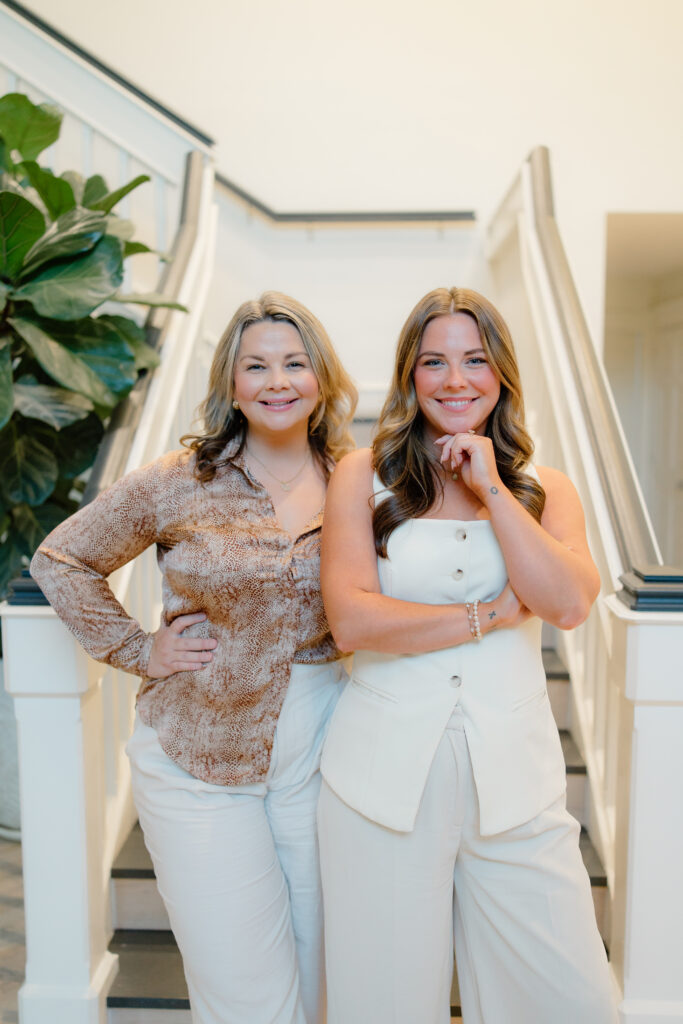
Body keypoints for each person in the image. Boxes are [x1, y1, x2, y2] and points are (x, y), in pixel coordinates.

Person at [30, 291, 357, 1024]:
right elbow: (63, 558)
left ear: (321, 378)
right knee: (247, 995)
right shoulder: (181, 478)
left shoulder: (358, 481)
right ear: (231, 384)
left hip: (323, 758)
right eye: (256, 366)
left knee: (322, 981)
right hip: (198, 758)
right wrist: (139, 648)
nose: (277, 381)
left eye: (295, 363)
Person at [317, 287, 617, 1024]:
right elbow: (350, 620)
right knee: (381, 1003)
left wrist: (490, 488)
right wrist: (485, 615)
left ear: (501, 374)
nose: (455, 380)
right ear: (408, 376)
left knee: (568, 998)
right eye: (434, 362)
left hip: (516, 782)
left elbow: (568, 604)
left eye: (474, 360)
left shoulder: (548, 490)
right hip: (378, 781)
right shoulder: (362, 475)